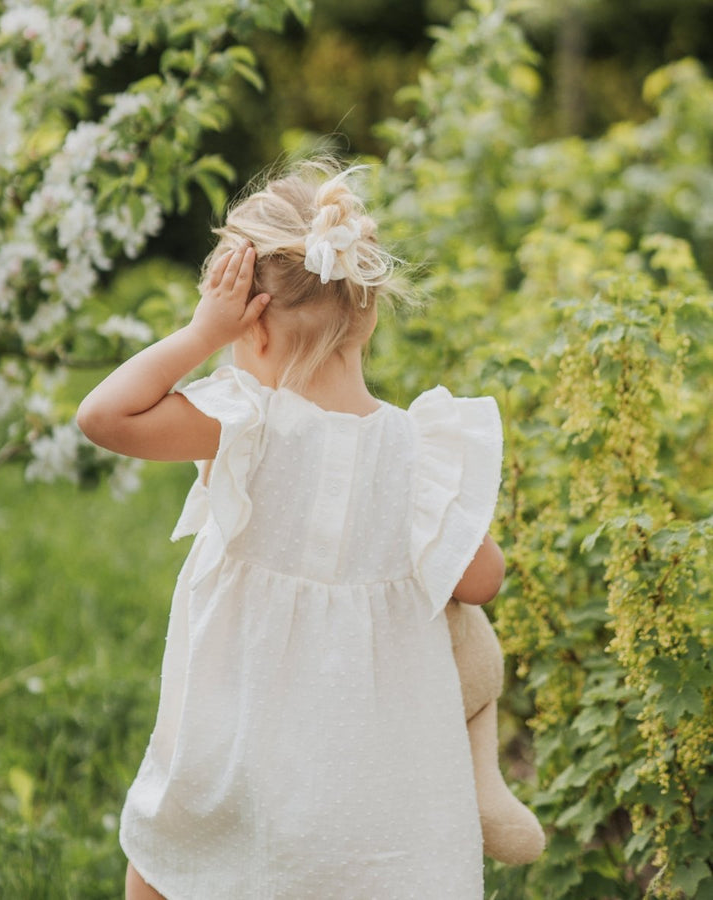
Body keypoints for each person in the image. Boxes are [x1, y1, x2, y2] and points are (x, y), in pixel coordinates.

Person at [77, 161, 506, 900]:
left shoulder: (243, 423)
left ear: (254, 331)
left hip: (235, 746)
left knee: (168, 857)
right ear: (366, 314)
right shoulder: (416, 453)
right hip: (365, 782)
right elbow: (483, 578)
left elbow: (102, 417)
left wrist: (196, 334)